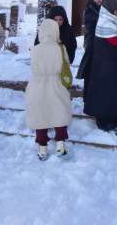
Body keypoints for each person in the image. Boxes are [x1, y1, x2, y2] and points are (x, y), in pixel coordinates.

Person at [83, 0, 117, 132]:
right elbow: (114, 39)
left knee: (115, 92)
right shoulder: (105, 21)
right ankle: (103, 121)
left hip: (114, 63)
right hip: (104, 65)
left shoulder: (114, 19)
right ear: (109, 9)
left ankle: (113, 119)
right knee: (104, 93)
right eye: (116, 9)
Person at [26, 19, 72, 161]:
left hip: (37, 84)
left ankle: (42, 148)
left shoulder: (35, 49)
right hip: (56, 83)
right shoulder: (60, 47)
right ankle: (60, 145)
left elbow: (33, 67)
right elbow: (66, 64)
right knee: (59, 112)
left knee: (40, 115)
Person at [76, 0, 103, 103]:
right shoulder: (90, 9)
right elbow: (90, 24)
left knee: (95, 71)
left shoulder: (99, 9)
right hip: (91, 42)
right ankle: (87, 98)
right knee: (89, 70)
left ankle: (92, 97)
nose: (100, 0)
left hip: (98, 42)